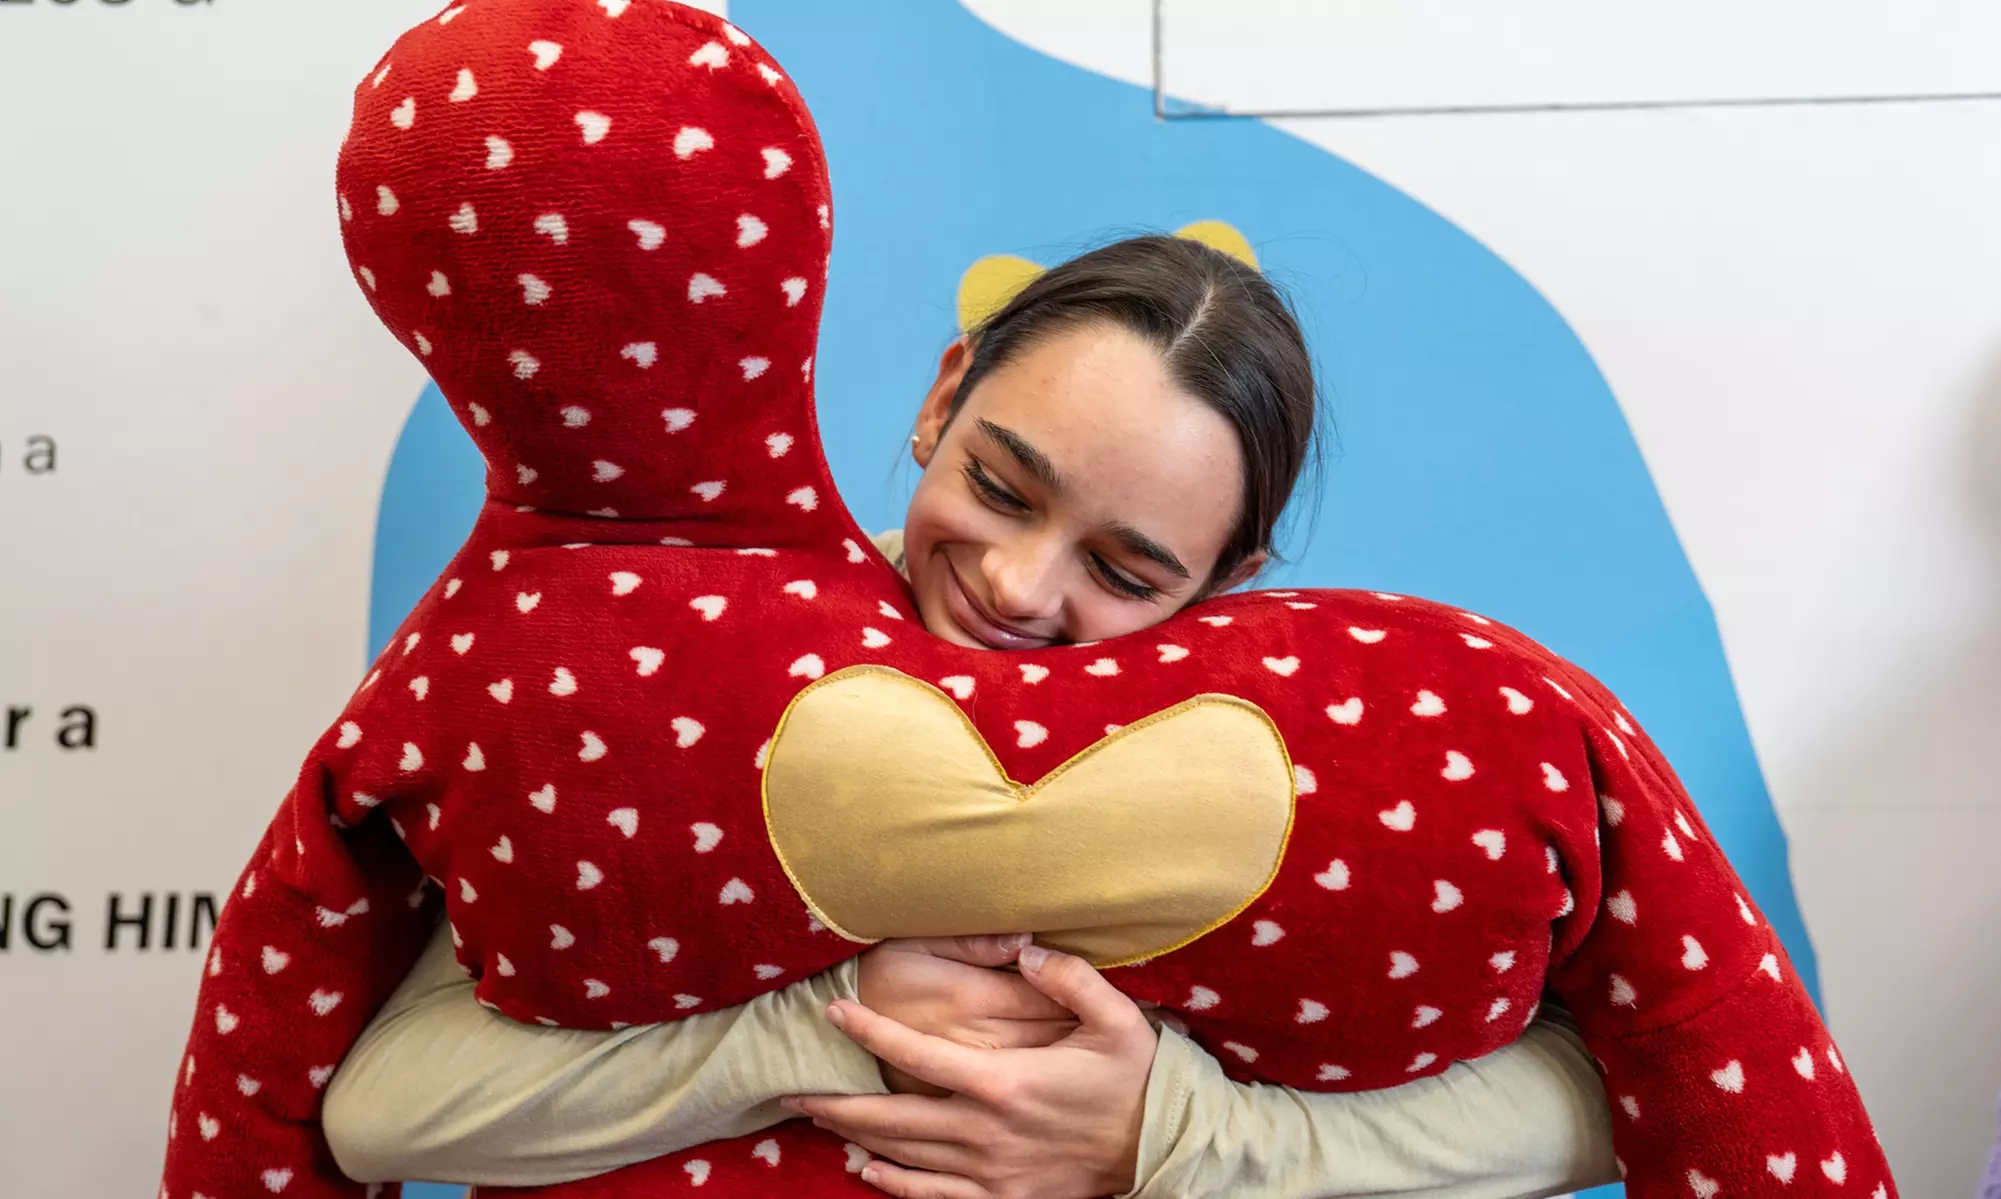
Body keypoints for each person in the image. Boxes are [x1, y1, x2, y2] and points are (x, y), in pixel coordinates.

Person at [322, 235, 1621, 1199]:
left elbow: (1600, 1090)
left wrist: (1175, 1131)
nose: (1018, 585)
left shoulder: (1273, 774)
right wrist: (813, 1017)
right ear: (943, 394)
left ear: (1229, 588)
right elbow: (383, 1108)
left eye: (1124, 572)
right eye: (1000, 486)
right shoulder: (694, 678)